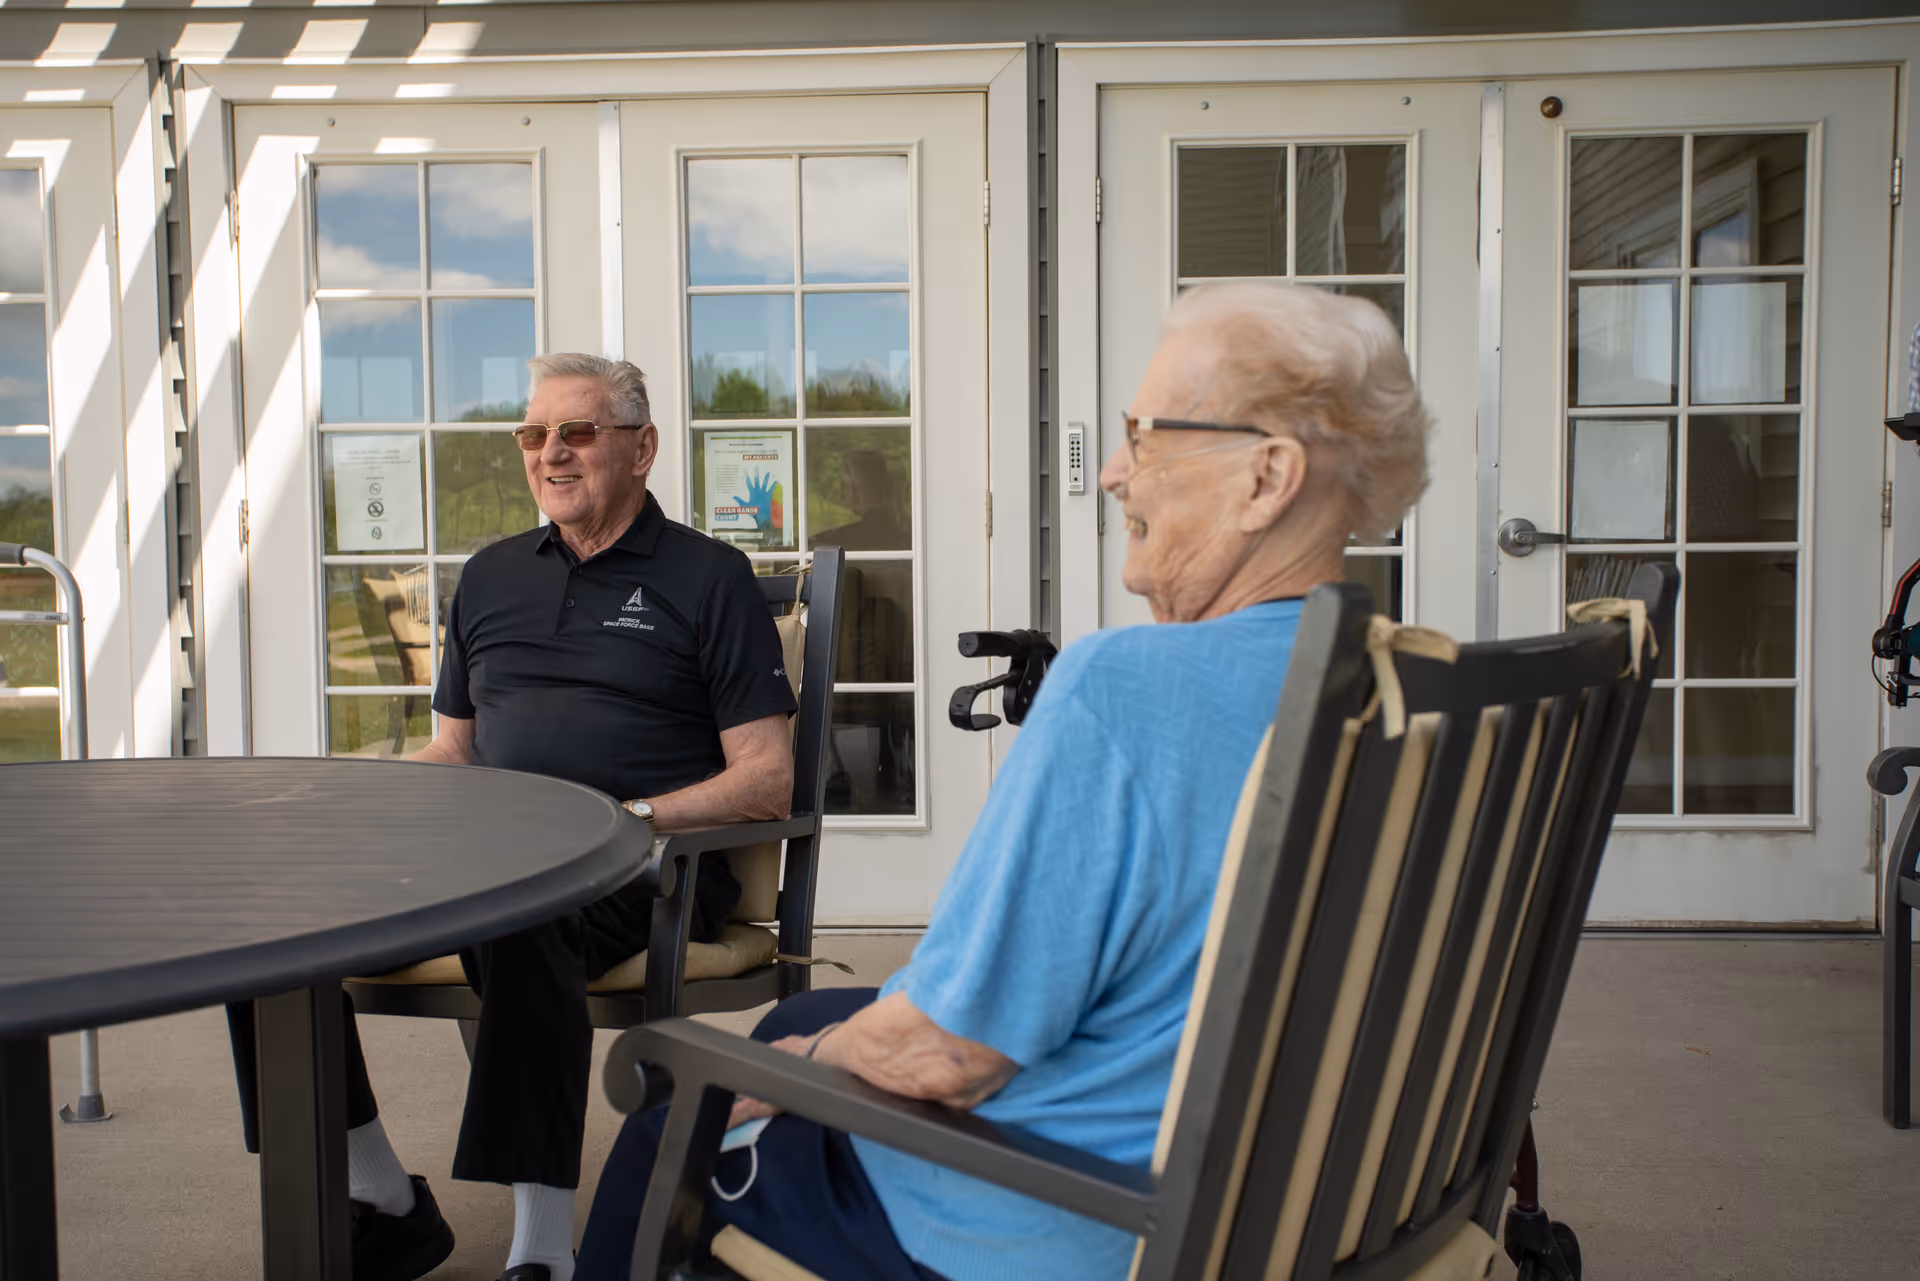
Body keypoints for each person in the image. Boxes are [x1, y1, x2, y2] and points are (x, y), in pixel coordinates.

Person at [573, 279, 1432, 1281]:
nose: (1112, 473)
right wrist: (821, 1043)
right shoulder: (1411, 682)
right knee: (803, 1018)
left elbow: (948, 1055)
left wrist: (792, 1075)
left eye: (1145, 437)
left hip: (1075, 1220)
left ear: (1267, 477)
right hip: (1315, 1190)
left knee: (679, 1108)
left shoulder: (1127, 687)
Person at [226, 354, 799, 1281]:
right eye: (534, 435)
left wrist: (625, 818)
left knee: (526, 908)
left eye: (578, 432)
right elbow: (453, 750)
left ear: (643, 447)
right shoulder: (490, 577)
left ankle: (542, 1250)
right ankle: (382, 1195)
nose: (552, 453)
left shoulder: (709, 577)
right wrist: (336, 814)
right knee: (259, 920)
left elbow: (767, 779)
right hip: (484, 853)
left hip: (643, 868)